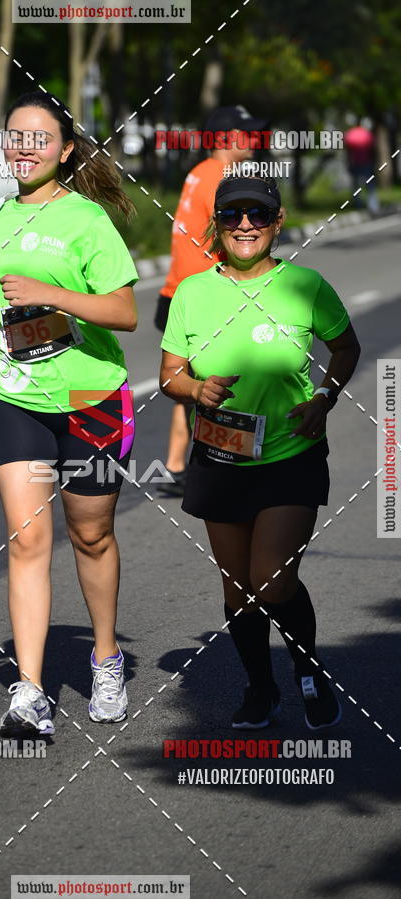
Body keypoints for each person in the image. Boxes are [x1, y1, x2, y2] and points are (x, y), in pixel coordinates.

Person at [0, 90, 139, 736]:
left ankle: (106, 658)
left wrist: (50, 292)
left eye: (38, 138)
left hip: (90, 400)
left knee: (90, 534)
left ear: (63, 151)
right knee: (29, 538)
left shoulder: (88, 220)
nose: (23, 148)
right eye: (14, 136)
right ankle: (30, 692)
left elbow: (124, 312)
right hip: (13, 395)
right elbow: (0, 312)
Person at [160, 174, 361, 730]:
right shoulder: (194, 294)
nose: (244, 225)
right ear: (217, 226)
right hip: (220, 458)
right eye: (232, 215)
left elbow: (345, 346)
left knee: (272, 577)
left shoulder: (305, 285)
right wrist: (195, 390)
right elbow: (168, 375)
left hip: (290, 454)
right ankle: (261, 688)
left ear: (277, 224)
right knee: (238, 587)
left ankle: (309, 671)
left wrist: (325, 396)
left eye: (256, 214)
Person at [155, 105, 267, 497]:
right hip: (201, 295)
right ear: (223, 139)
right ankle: (221, 463)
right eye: (245, 133)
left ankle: (174, 465)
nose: (254, 140)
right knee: (223, 379)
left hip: (174, 290)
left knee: (189, 383)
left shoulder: (199, 172)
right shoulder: (223, 179)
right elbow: (233, 241)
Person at [344, 122, 380, 215]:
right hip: (366, 163)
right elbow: (373, 149)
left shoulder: (351, 136)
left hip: (355, 163)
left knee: (356, 185)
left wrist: (348, 163)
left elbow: (348, 152)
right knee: (370, 185)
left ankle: (358, 204)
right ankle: (373, 206)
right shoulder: (367, 135)